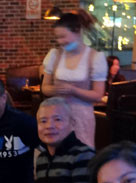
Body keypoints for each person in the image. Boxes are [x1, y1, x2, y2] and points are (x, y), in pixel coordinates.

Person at [41, 10, 107, 148]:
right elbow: (45, 88)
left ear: (78, 32)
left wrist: (73, 90)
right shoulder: (55, 55)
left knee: (81, 153)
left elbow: (97, 95)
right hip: (57, 116)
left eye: (63, 36)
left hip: (82, 117)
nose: (60, 41)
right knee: (58, 152)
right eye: (58, 37)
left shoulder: (95, 57)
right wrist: (56, 90)